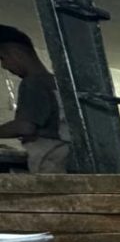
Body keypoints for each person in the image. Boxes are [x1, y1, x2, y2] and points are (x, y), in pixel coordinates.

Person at [0, 25, 70, 173]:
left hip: (50, 162)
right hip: (65, 159)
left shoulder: (32, 83)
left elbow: (25, 127)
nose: (4, 66)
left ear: (16, 53)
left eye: (3, 58)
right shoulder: (56, 82)